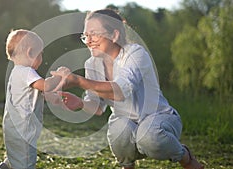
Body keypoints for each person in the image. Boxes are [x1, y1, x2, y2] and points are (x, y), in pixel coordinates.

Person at [51, 9, 204, 169]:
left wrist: (78, 80)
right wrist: (81, 103)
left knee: (149, 137)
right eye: (85, 36)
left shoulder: (135, 54)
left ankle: (185, 157)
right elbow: (98, 107)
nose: (88, 41)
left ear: (114, 35)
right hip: (126, 121)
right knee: (119, 130)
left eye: (94, 34)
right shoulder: (92, 64)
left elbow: (120, 91)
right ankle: (127, 165)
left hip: (158, 117)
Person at [0, 29, 61, 169]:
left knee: (16, 154)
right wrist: (61, 77)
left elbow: (39, 91)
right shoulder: (27, 72)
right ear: (30, 52)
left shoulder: (16, 72)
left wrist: (54, 97)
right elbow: (46, 85)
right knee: (25, 161)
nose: (42, 58)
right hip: (23, 130)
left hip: (14, 127)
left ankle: (5, 166)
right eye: (41, 54)